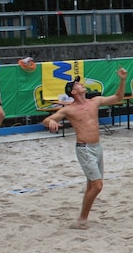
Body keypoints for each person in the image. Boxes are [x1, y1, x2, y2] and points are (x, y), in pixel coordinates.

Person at [42, 68, 128, 230]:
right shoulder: (69, 109)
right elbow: (47, 120)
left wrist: (122, 80)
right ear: (74, 91)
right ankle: (82, 218)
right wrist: (51, 123)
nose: (82, 85)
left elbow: (118, 98)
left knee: (91, 186)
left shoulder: (94, 101)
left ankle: (82, 219)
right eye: (79, 84)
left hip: (97, 147)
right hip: (84, 148)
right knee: (97, 186)